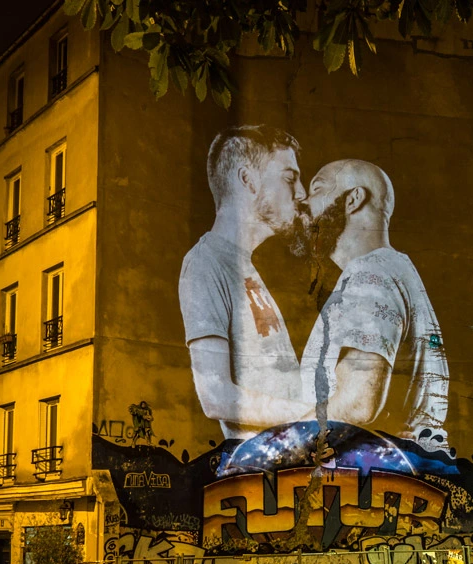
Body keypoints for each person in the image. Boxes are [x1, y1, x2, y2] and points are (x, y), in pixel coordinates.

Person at [298, 159, 449, 450]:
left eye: (317, 188)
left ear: (353, 199)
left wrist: (274, 449)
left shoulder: (370, 275)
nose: (304, 201)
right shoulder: (399, 271)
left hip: (361, 481)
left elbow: (357, 404)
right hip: (396, 477)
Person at [179, 124, 313, 440]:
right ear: (247, 179)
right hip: (257, 473)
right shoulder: (204, 263)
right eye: (290, 178)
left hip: (285, 472)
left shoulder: (243, 266)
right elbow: (215, 395)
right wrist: (312, 416)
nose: (302, 192)